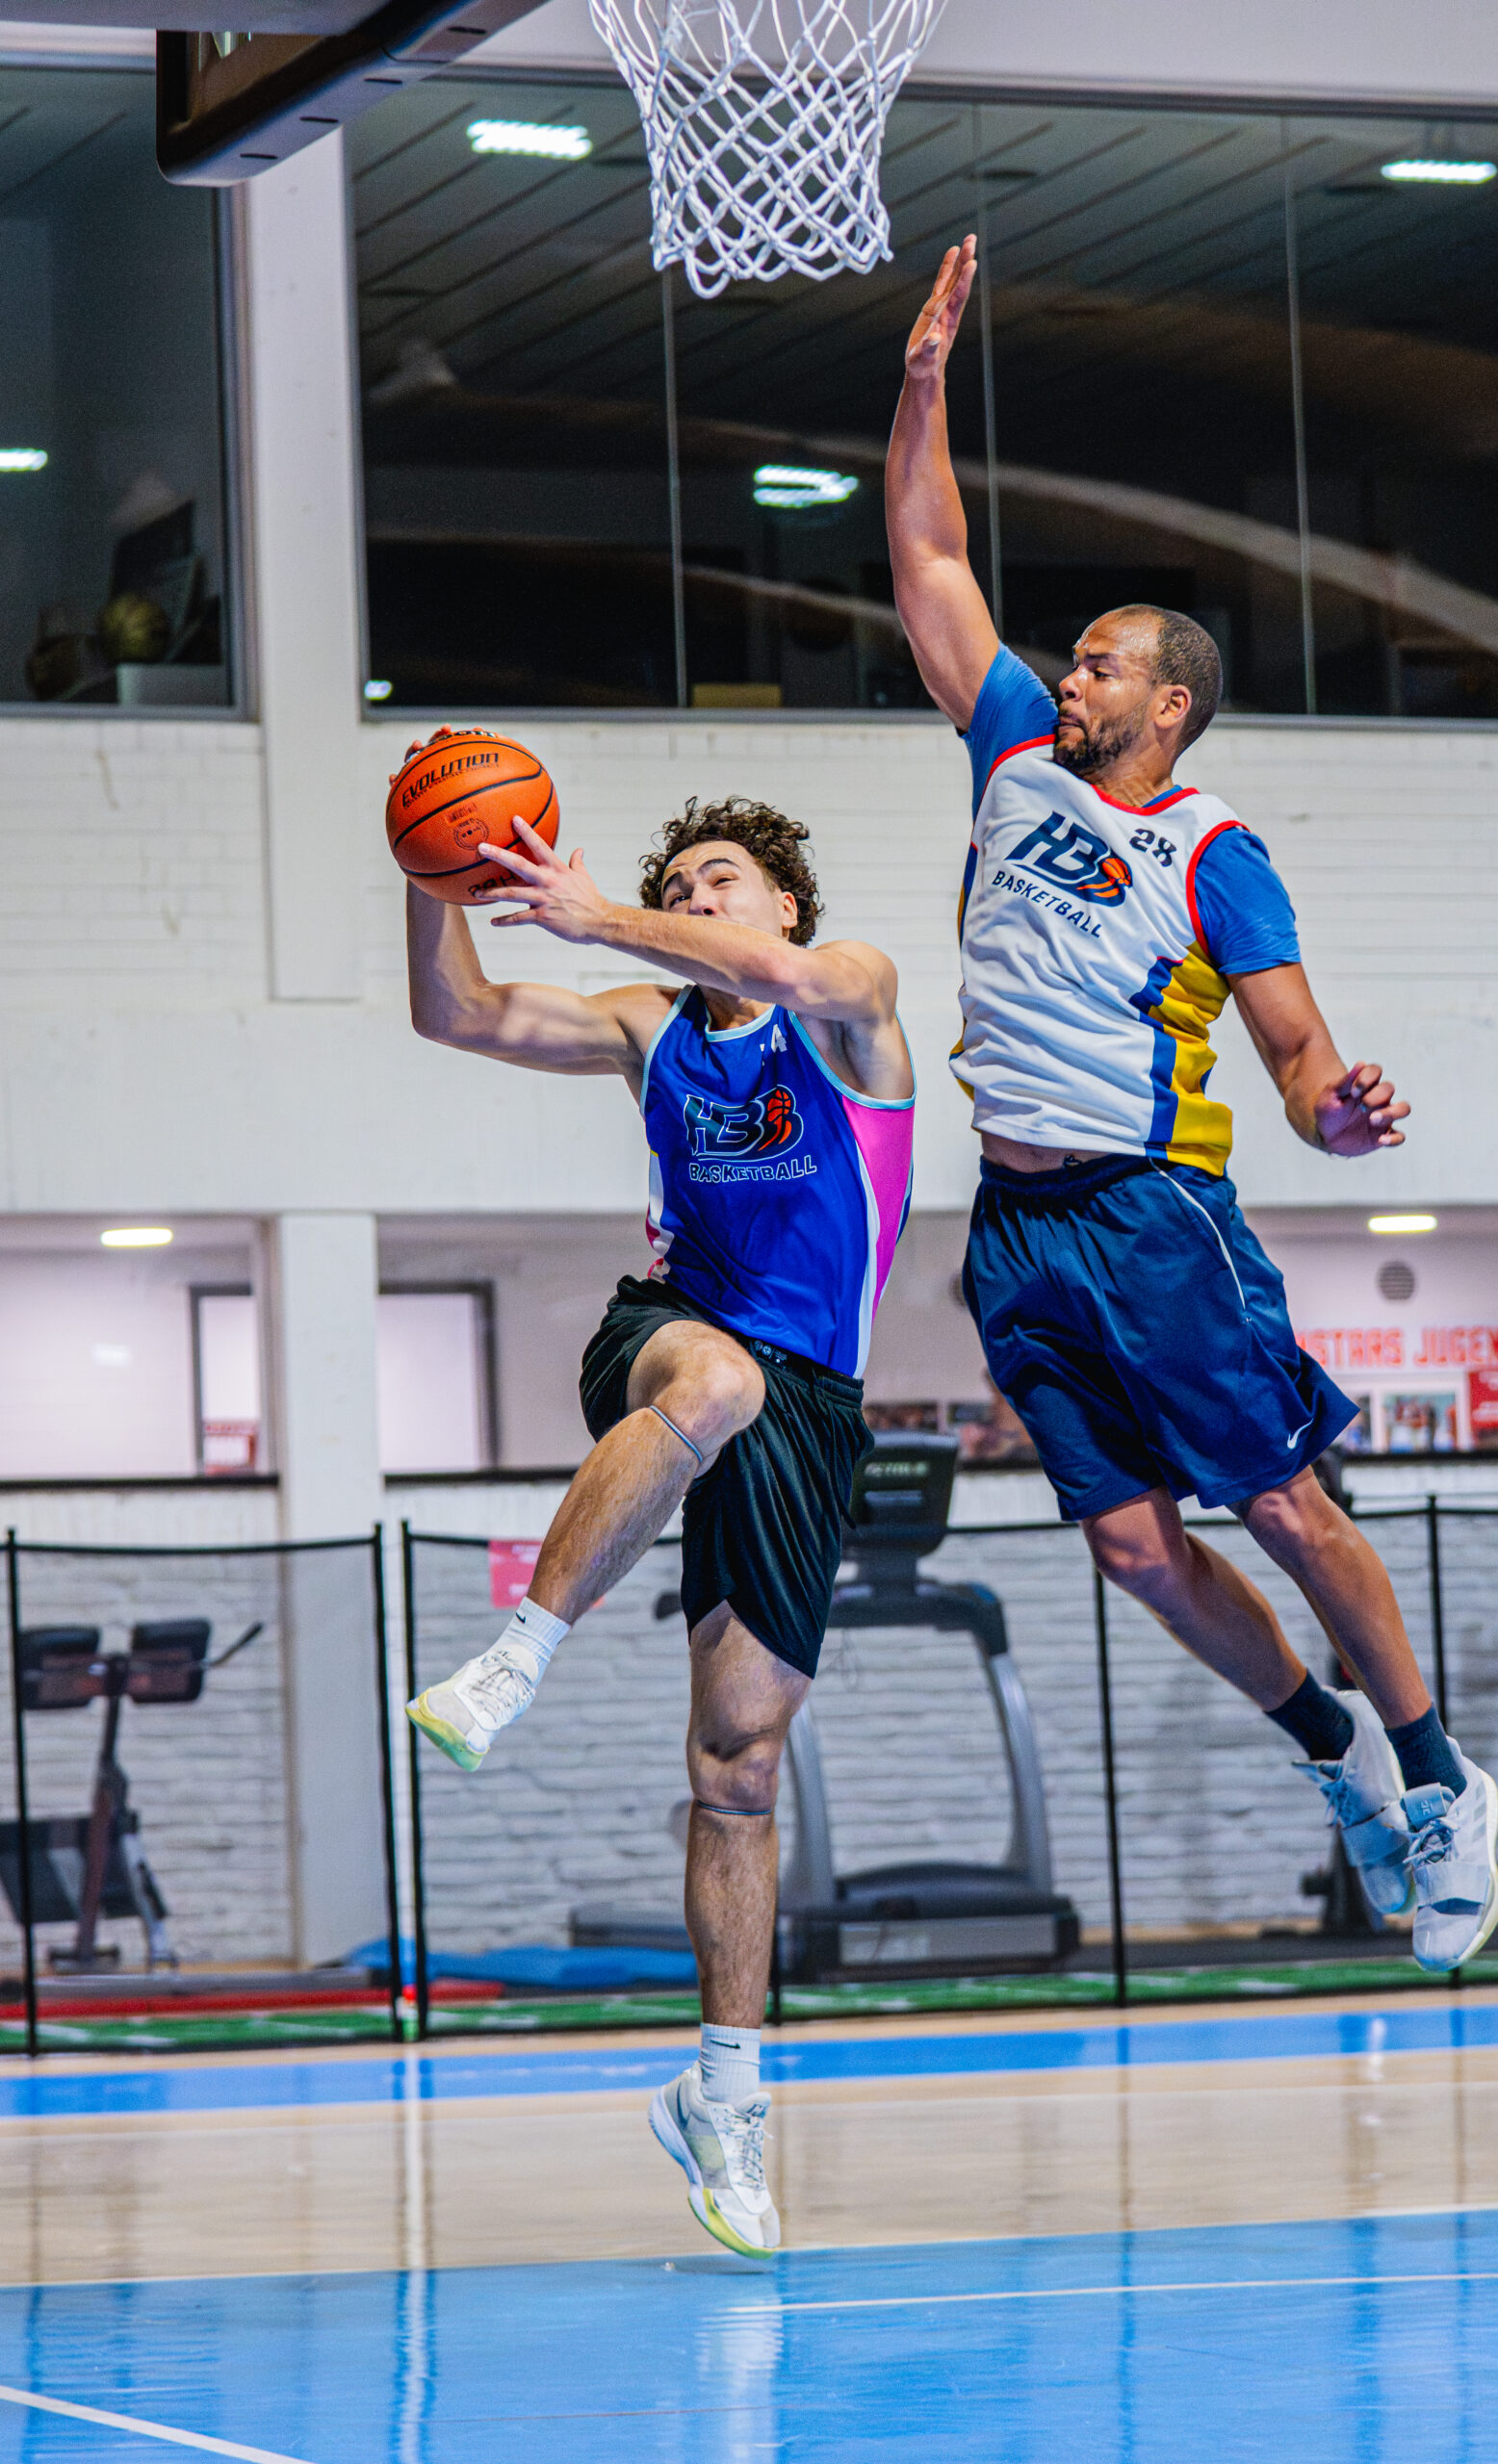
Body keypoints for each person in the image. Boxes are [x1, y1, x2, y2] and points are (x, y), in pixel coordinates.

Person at [884, 236, 1498, 1971]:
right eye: (1067, 658)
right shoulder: (1011, 749)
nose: (1066, 675)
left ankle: (1440, 1781)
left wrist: (1340, 1115)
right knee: (1136, 1552)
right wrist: (922, 388)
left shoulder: (1214, 851)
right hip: (1018, 1229)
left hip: (1153, 1214)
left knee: (1285, 1509)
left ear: (1168, 703)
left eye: (1099, 663)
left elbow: (1299, 1055)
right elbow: (929, 557)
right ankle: (1334, 1753)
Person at [401, 778, 915, 2251]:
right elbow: (458, 1014)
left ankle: (723, 2098)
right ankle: (515, 1661)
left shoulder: (852, 1002)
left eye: (718, 881)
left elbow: (801, 979)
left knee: (739, 1761)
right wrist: (430, 871)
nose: (694, 901)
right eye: (676, 886)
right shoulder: (651, 1030)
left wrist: (600, 913)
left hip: (814, 1400)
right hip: (672, 1333)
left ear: (784, 904)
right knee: (716, 1380)